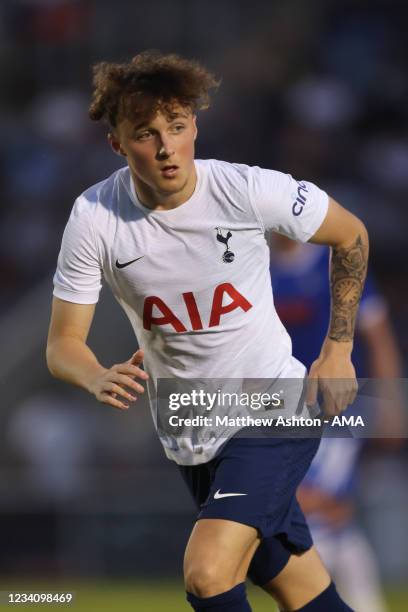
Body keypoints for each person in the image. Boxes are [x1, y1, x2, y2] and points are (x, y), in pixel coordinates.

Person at [46, 51, 369, 612]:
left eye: (177, 127)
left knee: (207, 573)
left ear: (195, 125)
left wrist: (336, 351)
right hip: (192, 433)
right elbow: (61, 345)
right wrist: (95, 373)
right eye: (147, 134)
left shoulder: (246, 190)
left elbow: (352, 235)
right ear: (118, 144)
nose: (167, 147)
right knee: (303, 591)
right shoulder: (95, 217)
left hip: (274, 409)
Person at [270, 236, 403, 612]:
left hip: (339, 407)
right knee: (322, 514)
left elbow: (377, 334)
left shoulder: (334, 267)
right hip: (282, 410)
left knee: (313, 509)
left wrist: (391, 400)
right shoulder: (258, 267)